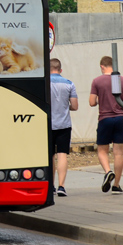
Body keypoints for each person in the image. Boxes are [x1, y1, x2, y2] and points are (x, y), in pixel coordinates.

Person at [89, 55, 123, 194]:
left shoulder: (97, 81)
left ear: (102, 66)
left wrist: (101, 98)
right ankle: (116, 185)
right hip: (120, 118)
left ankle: (108, 171)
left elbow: (92, 102)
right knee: (118, 153)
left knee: (102, 150)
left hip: (105, 119)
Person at [48, 58, 78, 197]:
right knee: (62, 155)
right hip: (64, 125)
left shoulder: (44, 84)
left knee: (50, 156)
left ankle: (51, 186)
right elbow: (75, 106)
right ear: (60, 70)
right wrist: (66, 106)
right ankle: (61, 186)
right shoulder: (69, 84)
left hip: (47, 124)